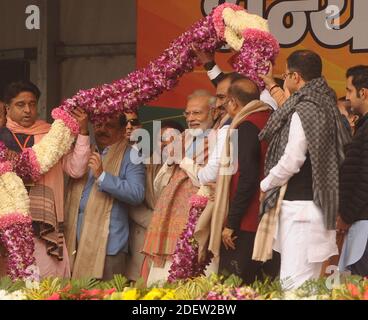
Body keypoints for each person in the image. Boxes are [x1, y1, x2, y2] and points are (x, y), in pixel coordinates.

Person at [253, 50, 350, 289]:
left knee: (294, 286)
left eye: (285, 75)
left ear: (295, 77)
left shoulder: (305, 108)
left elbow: (292, 159)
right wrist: (271, 83)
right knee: (306, 286)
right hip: (314, 208)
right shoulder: (327, 104)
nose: (283, 80)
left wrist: (266, 184)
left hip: (302, 212)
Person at [0, 80, 90, 278]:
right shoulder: (1, 138)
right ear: (7, 108)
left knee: (48, 283)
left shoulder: (53, 135)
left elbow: (76, 169)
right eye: (20, 104)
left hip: (45, 225)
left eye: (32, 104)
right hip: (8, 225)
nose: (27, 110)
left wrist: (83, 132)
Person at [141, 90, 215, 285]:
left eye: (197, 113)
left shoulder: (218, 140)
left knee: (191, 286)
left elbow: (208, 181)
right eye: (188, 114)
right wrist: (170, 160)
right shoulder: (182, 138)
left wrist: (182, 159)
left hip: (195, 220)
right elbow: (160, 183)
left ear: (213, 112)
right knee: (160, 285)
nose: (191, 119)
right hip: (167, 218)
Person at [64, 114, 145, 280]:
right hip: (74, 241)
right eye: (99, 125)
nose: (102, 130)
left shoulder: (130, 156)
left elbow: (137, 193)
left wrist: (102, 176)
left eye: (110, 126)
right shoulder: (84, 151)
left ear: (123, 130)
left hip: (108, 247)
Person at [125, 120, 184, 282]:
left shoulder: (189, 167)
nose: (165, 144)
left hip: (176, 242)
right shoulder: (144, 165)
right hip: (144, 237)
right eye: (161, 139)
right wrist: (158, 222)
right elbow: (133, 203)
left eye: (170, 139)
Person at [338, 65, 368, 277]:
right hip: (359, 220)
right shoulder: (363, 126)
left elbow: (365, 178)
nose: (347, 97)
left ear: (363, 92)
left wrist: (346, 216)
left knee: (357, 287)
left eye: (349, 91)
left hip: (363, 223)